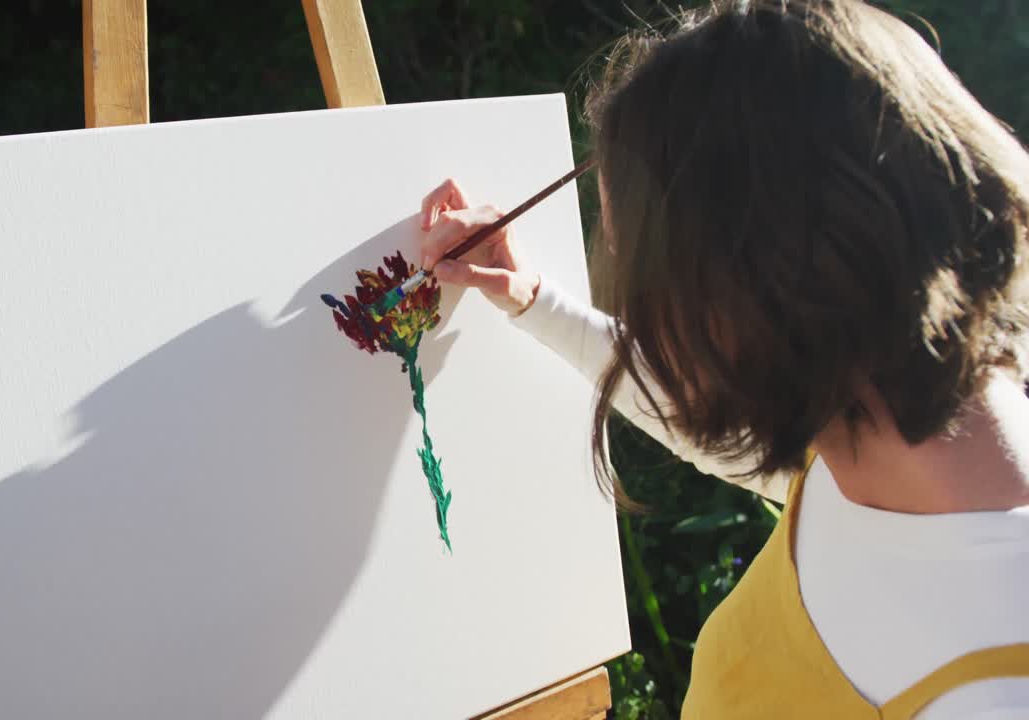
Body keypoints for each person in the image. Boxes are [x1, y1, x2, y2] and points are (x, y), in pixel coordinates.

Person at [417, 1, 1029, 717]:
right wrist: (532, 299)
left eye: (648, 282)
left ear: (746, 289)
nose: (652, 324)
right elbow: (715, 429)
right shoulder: (870, 445)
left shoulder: (992, 691)